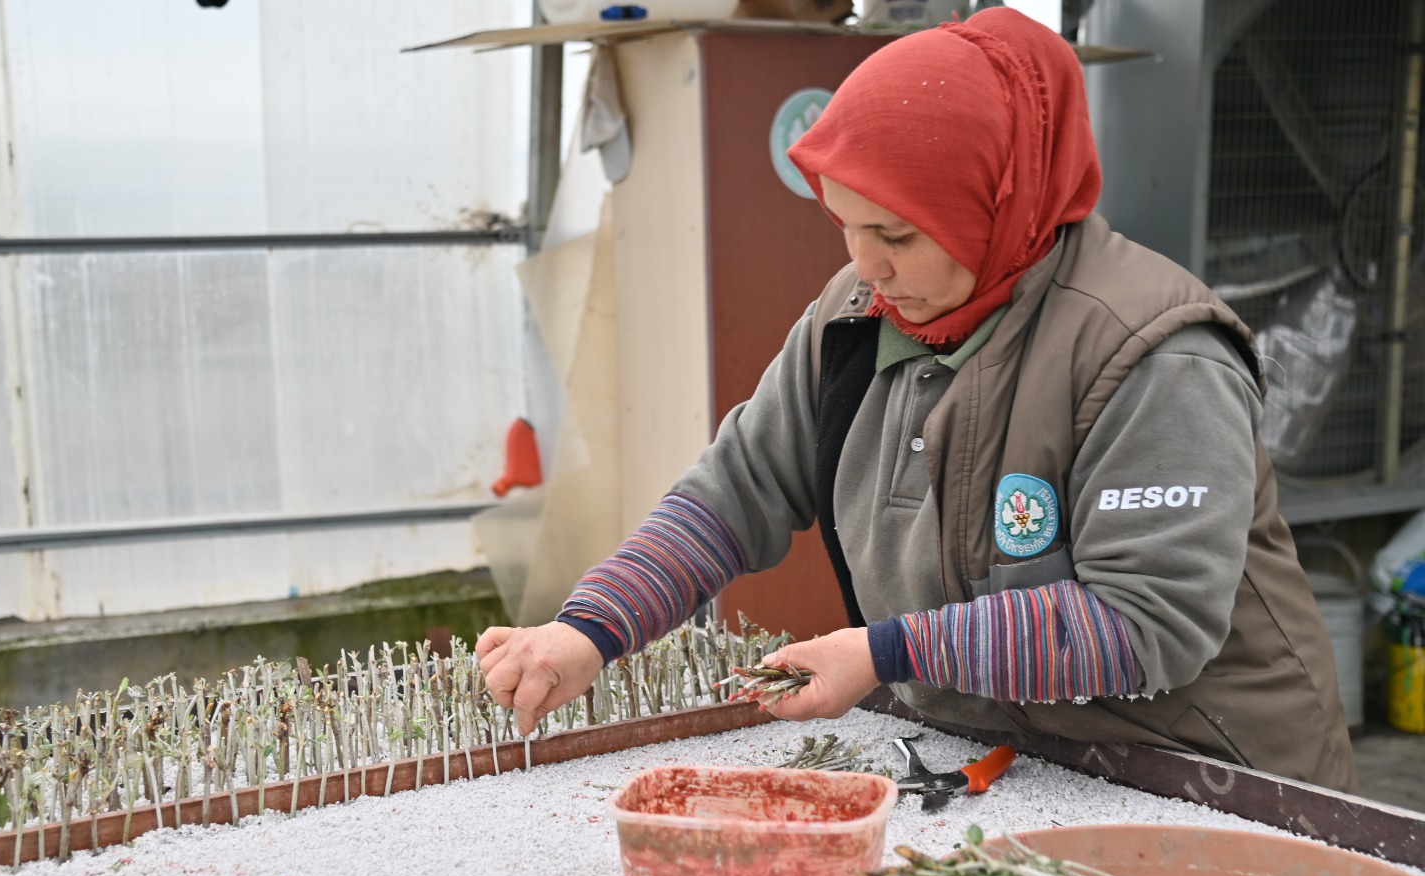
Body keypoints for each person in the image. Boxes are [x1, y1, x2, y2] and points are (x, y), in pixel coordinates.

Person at [475, 7, 1358, 791]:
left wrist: (888, 653)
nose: (866, 265)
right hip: (1014, 764)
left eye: (896, 233)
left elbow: (1145, 622)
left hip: (1206, 785)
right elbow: (732, 492)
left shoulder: (1155, 354)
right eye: (846, 226)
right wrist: (590, 628)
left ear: (996, 202)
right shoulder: (858, 318)